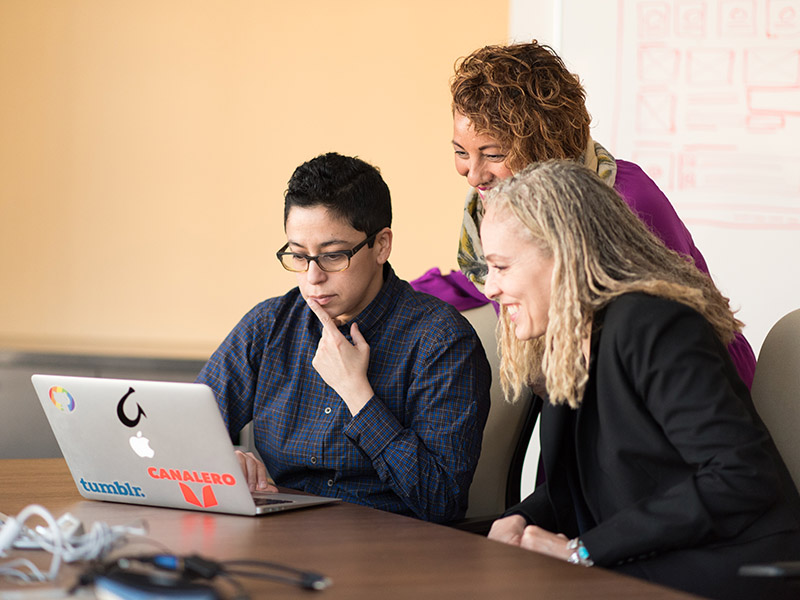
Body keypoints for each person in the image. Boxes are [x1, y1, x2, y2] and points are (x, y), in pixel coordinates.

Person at [480, 160, 800, 600]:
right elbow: (577, 489)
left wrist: (583, 551)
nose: (489, 288)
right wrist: (520, 520)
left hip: (732, 566)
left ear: (562, 253)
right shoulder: (568, 338)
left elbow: (740, 476)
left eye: (501, 267)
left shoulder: (657, 324)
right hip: (649, 559)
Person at [443, 40, 756, 388]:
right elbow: (499, 276)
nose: (473, 175)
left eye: (493, 155)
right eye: (461, 152)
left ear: (543, 146)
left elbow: (677, 329)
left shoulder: (625, 199)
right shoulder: (496, 207)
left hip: (693, 388)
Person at [197, 152, 491, 523]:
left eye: (333, 256)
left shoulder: (441, 341)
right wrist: (221, 460)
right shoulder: (270, 325)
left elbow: (441, 500)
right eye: (299, 256)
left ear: (381, 245)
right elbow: (186, 432)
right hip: (282, 538)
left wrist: (357, 393)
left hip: (391, 549)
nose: (313, 277)